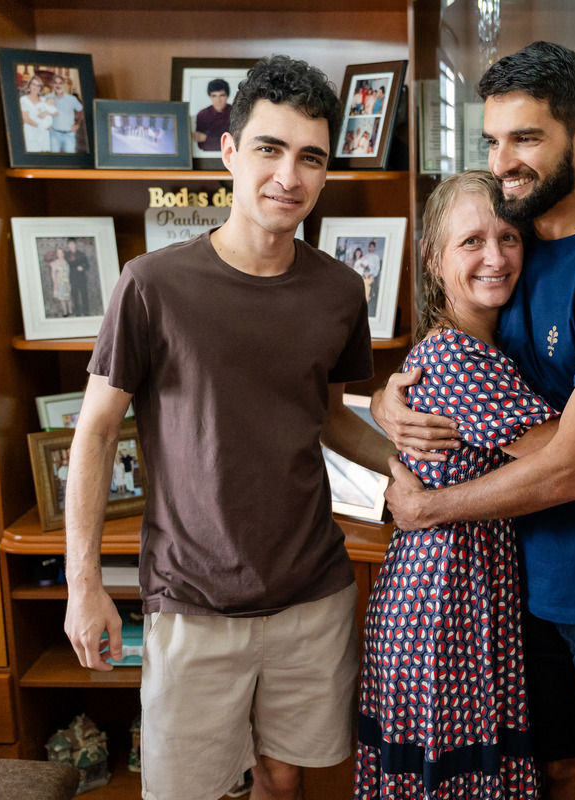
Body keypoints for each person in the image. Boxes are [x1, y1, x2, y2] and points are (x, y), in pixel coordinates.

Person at [63, 54, 395, 800]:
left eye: (311, 157)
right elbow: (95, 433)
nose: (289, 175)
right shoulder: (152, 284)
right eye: (270, 149)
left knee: (284, 775)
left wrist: (406, 470)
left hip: (313, 592)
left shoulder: (342, 290)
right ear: (229, 152)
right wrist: (83, 586)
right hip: (193, 601)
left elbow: (329, 417)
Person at [373, 42, 575, 800]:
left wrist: (426, 507)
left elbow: (570, 467)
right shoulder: (512, 254)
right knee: (556, 775)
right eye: (492, 140)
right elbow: (456, 365)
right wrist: (393, 398)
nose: (503, 160)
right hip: (523, 584)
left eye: (526, 138)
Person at [355, 170, 558, 798]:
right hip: (447, 602)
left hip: (463, 589)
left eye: (508, 238)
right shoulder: (457, 357)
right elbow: (567, 457)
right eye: (471, 241)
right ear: (432, 259)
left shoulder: (480, 346)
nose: (495, 257)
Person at [48, 73, 85, 154]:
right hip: (54, 134)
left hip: (69, 135)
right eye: (55, 83)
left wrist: (78, 124)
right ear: (52, 85)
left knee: (70, 158)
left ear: (64, 85)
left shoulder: (72, 99)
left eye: (60, 83)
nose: (58, 85)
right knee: (53, 158)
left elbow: (81, 110)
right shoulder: (47, 97)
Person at [20, 74, 56, 153]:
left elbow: (50, 114)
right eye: (33, 84)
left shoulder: (44, 100)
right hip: (31, 133)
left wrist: (50, 124)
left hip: (44, 135)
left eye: (38, 85)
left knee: (44, 157)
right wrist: (41, 126)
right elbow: (26, 119)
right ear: (29, 85)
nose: (36, 87)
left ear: (40, 88)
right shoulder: (23, 100)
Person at [195, 78, 232, 152]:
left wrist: (207, 138)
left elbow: (235, 142)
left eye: (222, 95)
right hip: (207, 155)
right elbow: (200, 143)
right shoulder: (202, 115)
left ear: (227, 95)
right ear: (210, 96)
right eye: (214, 96)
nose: (218, 100)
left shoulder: (236, 112)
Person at [65, 238, 92, 317]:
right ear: (68, 245)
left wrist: (82, 268)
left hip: (81, 279)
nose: (72, 246)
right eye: (70, 244)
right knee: (75, 296)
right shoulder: (66, 255)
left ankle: (86, 311)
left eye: (73, 244)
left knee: (84, 295)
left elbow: (87, 266)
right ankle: (77, 312)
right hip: (72, 279)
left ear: (76, 244)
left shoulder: (82, 254)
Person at [48, 247, 72, 317]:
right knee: (62, 298)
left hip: (67, 283)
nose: (60, 254)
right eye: (58, 253)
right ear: (57, 254)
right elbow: (53, 274)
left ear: (63, 253)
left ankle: (70, 311)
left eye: (61, 253)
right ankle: (65, 312)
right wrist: (55, 283)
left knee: (69, 298)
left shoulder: (67, 262)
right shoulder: (54, 263)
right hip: (60, 283)